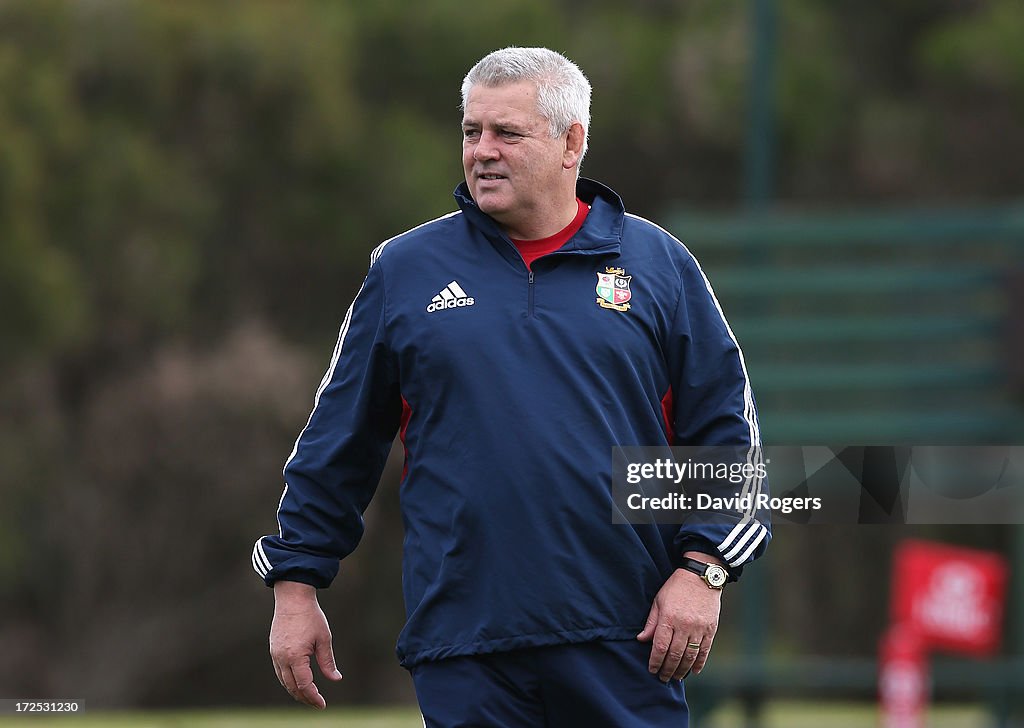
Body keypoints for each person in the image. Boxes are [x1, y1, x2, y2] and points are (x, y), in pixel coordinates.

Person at [252, 46, 771, 726]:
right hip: (465, 643)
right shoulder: (405, 270)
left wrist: (702, 569)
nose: (482, 152)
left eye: (507, 133)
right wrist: (296, 585)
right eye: (472, 133)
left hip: (625, 636)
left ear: (571, 143)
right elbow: (337, 441)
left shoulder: (659, 265)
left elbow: (727, 434)